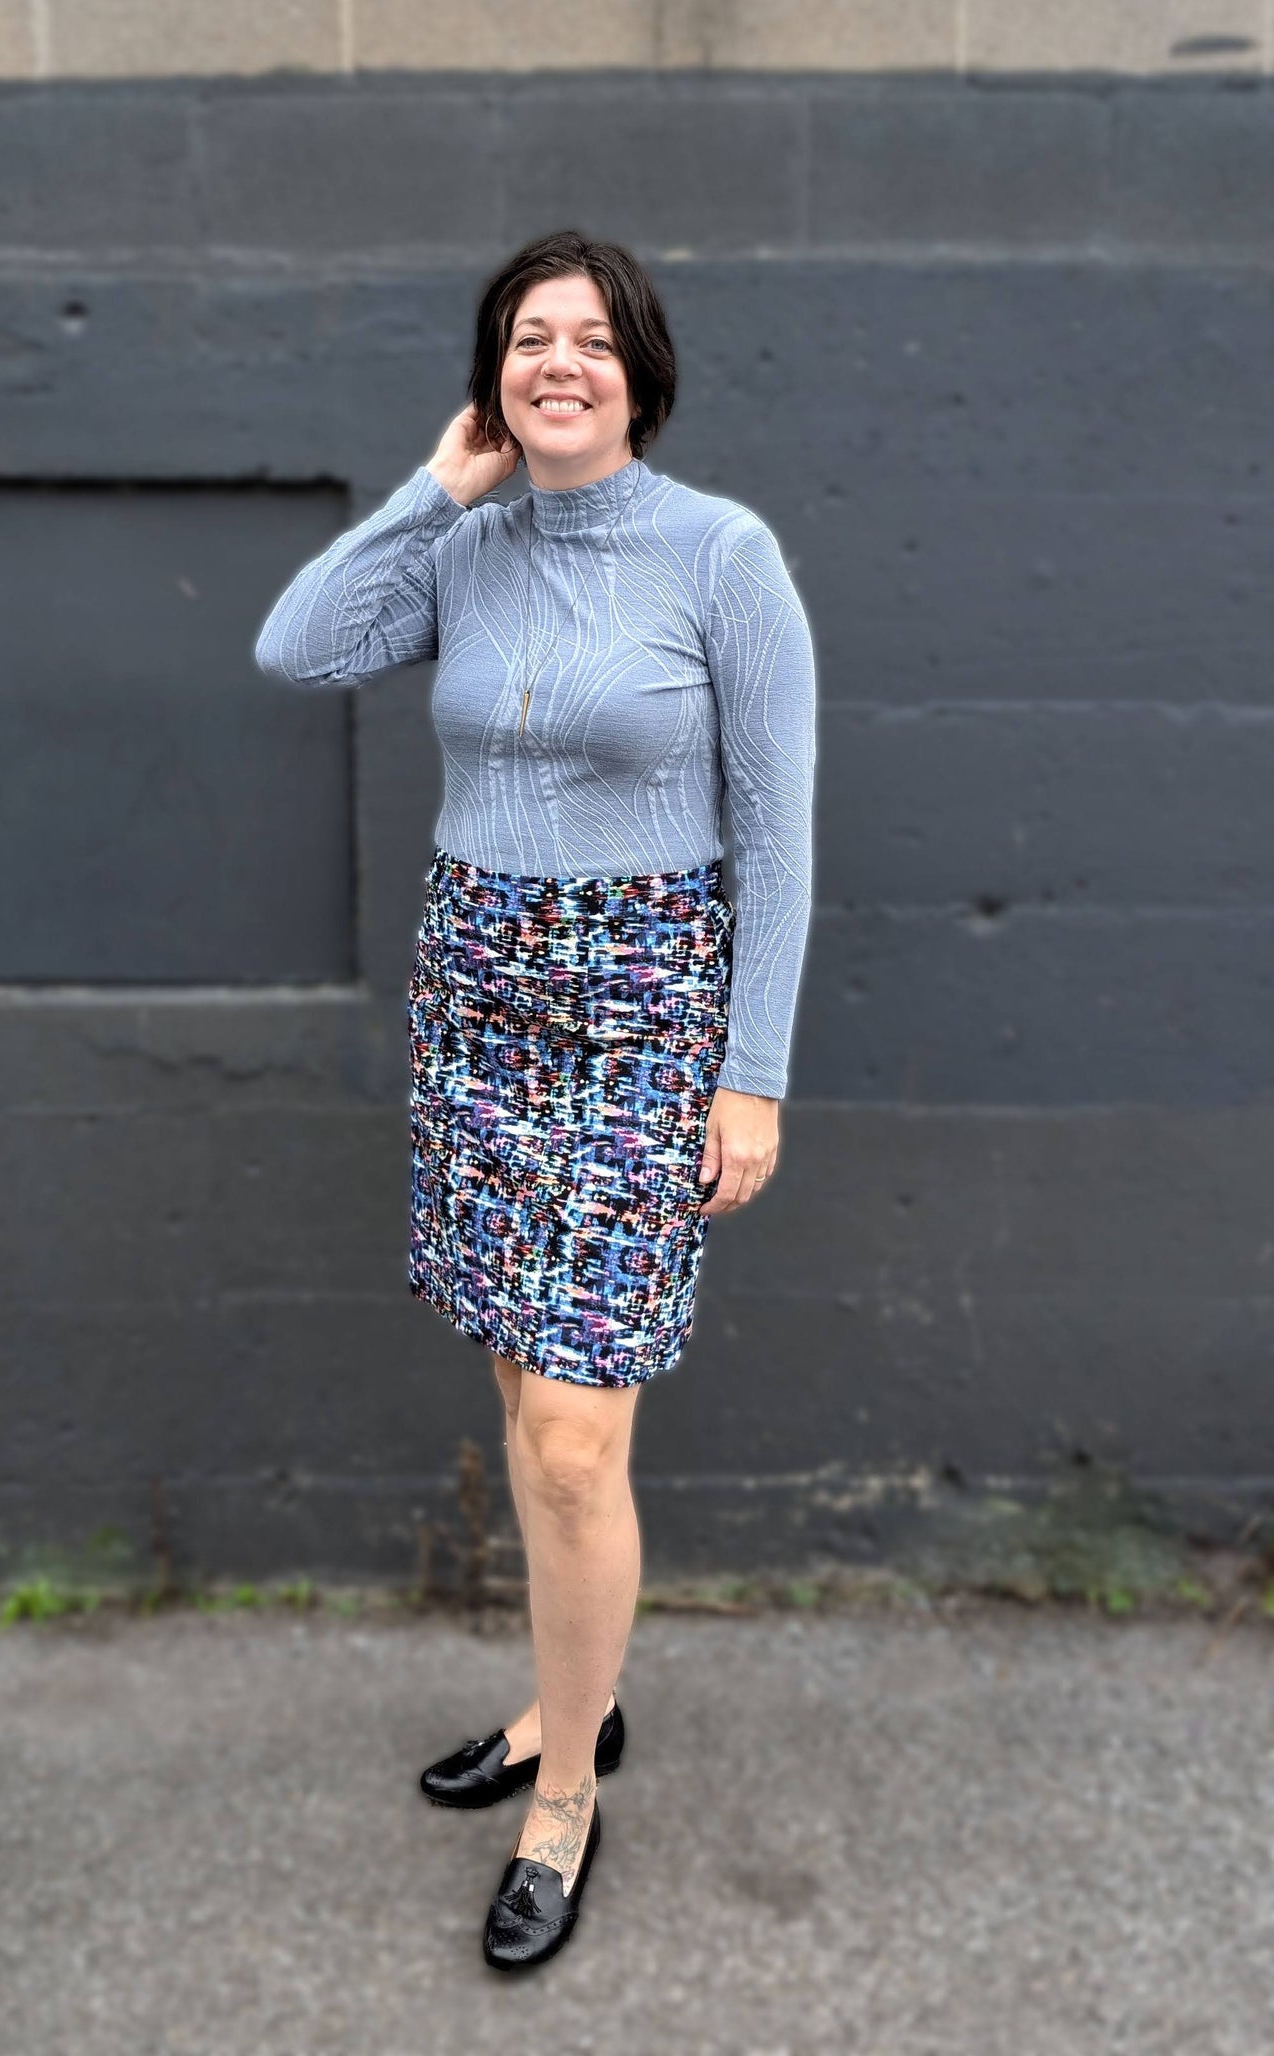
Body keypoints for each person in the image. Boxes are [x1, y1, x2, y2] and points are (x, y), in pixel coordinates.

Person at [252, 229, 817, 1971]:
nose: (554, 361)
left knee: (576, 1434)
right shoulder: (466, 546)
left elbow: (780, 834)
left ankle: (565, 1790)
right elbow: (296, 648)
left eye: (587, 338)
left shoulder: (722, 555)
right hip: (479, 985)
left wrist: (753, 1076)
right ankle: (568, 1700)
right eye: (523, 339)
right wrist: (431, 489)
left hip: (646, 1003)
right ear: (490, 373)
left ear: (640, 367)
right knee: (524, 1390)